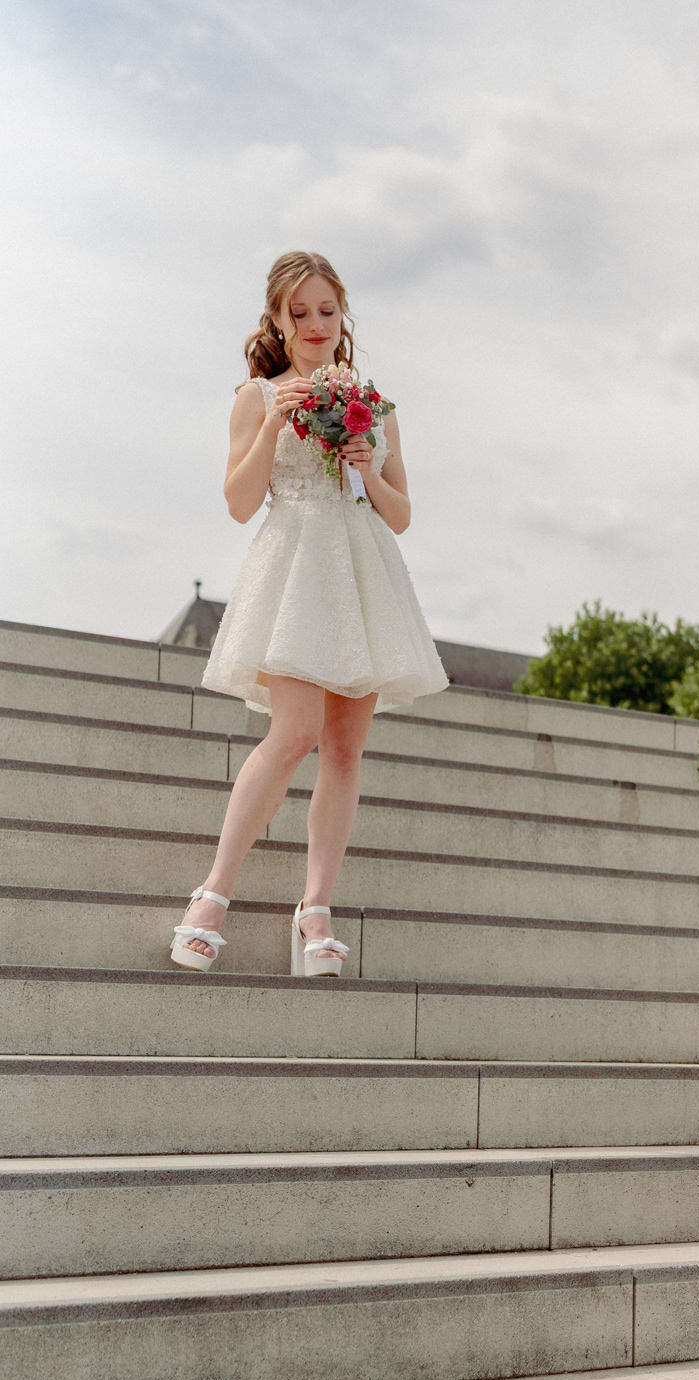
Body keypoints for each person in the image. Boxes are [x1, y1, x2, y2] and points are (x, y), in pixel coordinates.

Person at [168, 249, 448, 977]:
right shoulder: (257, 397)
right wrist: (271, 426)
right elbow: (237, 504)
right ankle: (211, 895)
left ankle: (315, 910)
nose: (316, 324)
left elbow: (401, 513)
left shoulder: (375, 402)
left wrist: (364, 466)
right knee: (292, 733)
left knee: (347, 748)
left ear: (340, 314)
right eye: (300, 312)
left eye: (327, 310)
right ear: (277, 320)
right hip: (293, 564)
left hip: (359, 570)